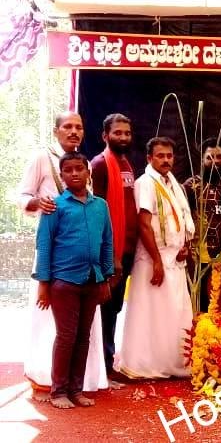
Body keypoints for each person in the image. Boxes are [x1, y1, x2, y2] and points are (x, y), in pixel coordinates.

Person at [17, 111, 108, 401]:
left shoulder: (82, 162)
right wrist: (37, 202)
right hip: (52, 255)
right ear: (56, 131)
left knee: (83, 332)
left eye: (78, 127)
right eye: (67, 126)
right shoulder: (42, 157)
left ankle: (81, 383)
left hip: (87, 266)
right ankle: (48, 381)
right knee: (54, 326)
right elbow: (20, 196)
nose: (73, 131)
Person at [33, 152, 113, 409]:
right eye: (68, 170)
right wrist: (44, 284)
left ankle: (76, 390)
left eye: (79, 168)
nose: (75, 173)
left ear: (88, 172)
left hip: (92, 280)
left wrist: (105, 278)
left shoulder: (100, 206)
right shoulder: (55, 207)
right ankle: (59, 391)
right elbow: (44, 245)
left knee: (83, 337)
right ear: (62, 175)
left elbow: (107, 243)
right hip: (63, 282)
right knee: (66, 336)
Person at [117, 137, 195, 378]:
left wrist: (184, 245)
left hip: (175, 258)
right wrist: (157, 261)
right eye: (160, 156)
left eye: (169, 156)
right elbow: (144, 224)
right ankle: (145, 364)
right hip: (153, 259)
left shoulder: (173, 183)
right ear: (149, 158)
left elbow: (181, 218)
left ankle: (172, 361)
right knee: (151, 313)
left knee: (174, 311)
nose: (166, 160)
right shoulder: (145, 183)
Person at [90, 113, 137, 388]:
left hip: (128, 248)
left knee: (115, 307)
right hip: (111, 251)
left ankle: (107, 361)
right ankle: (103, 369)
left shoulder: (126, 163)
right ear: (105, 135)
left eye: (127, 133)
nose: (123, 137)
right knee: (105, 309)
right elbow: (98, 212)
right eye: (117, 133)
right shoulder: (99, 164)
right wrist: (111, 256)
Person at [183, 137, 221, 312]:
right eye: (210, 157)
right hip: (197, 257)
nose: (216, 161)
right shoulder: (191, 186)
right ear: (202, 160)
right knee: (197, 301)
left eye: (220, 157)